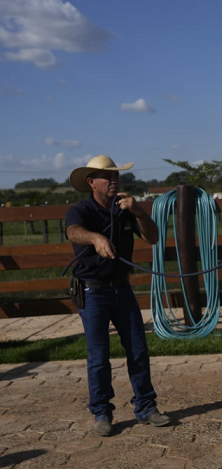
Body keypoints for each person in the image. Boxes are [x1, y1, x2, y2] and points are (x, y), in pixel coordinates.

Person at [65, 155, 171, 436]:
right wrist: (96, 238)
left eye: (116, 176)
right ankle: (102, 412)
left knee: (138, 349)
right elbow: (73, 232)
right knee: (98, 355)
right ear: (92, 183)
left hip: (122, 288)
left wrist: (139, 213)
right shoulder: (81, 210)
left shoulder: (126, 209)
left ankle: (146, 407)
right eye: (107, 177)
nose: (114, 181)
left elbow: (153, 237)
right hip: (92, 291)